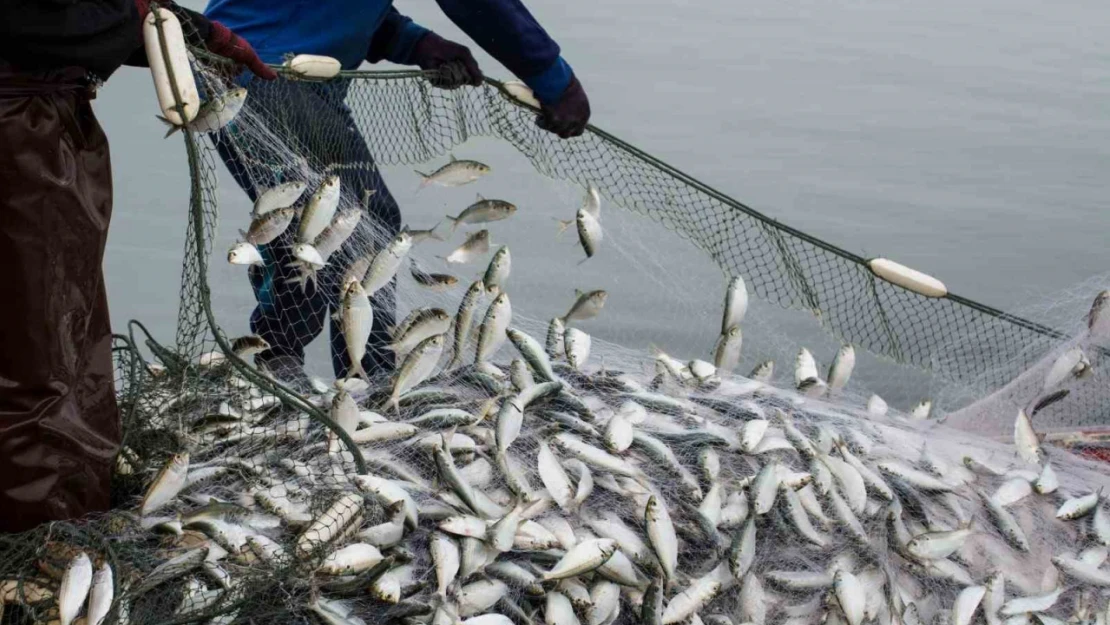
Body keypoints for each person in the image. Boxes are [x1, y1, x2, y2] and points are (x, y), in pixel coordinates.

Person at [205, 0, 591, 387]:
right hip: (260, 74)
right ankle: (297, 365)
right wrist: (554, 79)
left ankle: (356, 374)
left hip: (288, 77)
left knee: (361, 222)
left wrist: (413, 42)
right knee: (330, 225)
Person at [0, 0, 273, 533]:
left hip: (40, 119)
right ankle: (41, 535)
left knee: (56, 331)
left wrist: (185, 30)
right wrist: (149, 19)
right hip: (19, 132)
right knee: (40, 347)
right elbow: (38, 19)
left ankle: (66, 507)